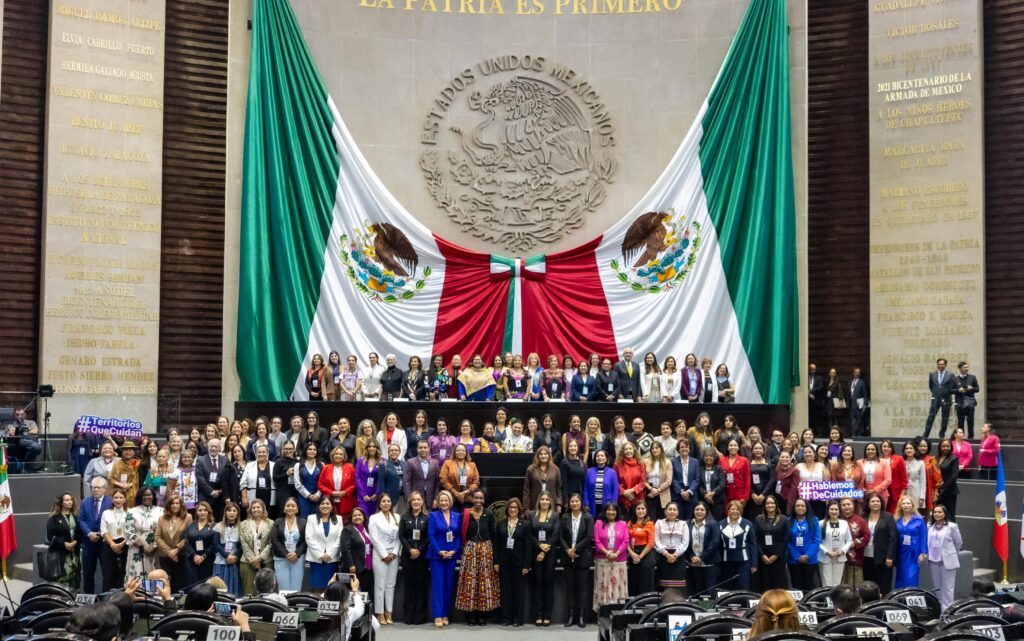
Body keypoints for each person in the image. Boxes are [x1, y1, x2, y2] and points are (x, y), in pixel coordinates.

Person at [495, 497, 530, 627]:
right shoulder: (501, 524)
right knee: (505, 592)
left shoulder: (525, 524)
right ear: (507, 509)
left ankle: (517, 619)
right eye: (510, 507)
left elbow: (527, 546)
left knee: (518, 592)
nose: (513, 510)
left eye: (515, 507)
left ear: (519, 509)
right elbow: (497, 544)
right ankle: (507, 618)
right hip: (504, 563)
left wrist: (526, 565)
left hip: (519, 563)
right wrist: (496, 562)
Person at [428, 490, 461, 627]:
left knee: (448, 585)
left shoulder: (457, 515)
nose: (443, 503)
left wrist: (454, 550)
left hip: (451, 555)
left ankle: (445, 614)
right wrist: (439, 551)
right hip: (437, 555)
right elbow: (431, 535)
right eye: (441, 500)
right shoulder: (433, 515)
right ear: (438, 502)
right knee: (438, 586)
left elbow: (459, 535)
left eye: (446, 500)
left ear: (450, 502)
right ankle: (437, 615)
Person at [368, 494, 402, 625]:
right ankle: (380, 613)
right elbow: (374, 539)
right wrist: (384, 555)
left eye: (388, 501)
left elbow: (399, 537)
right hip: (380, 555)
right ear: (379, 504)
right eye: (384, 501)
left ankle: (389, 612)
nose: (386, 503)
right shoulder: (374, 517)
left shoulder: (397, 517)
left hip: (393, 554)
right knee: (380, 585)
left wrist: (393, 553)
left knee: (390, 585)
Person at [561, 493, 593, 627]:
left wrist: (576, 550)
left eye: (577, 501)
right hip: (568, 557)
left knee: (582, 589)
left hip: (582, 557)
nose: (574, 503)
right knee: (570, 588)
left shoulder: (588, 517)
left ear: (581, 503)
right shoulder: (564, 517)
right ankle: (571, 616)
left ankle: (581, 617)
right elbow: (560, 537)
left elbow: (589, 536)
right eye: (572, 501)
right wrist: (568, 550)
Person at [399, 491, 430, 624]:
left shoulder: (427, 518)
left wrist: (419, 550)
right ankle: (409, 616)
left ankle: (420, 616)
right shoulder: (404, 517)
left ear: (422, 502)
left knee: (421, 586)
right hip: (408, 556)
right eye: (414, 500)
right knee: (409, 586)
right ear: (410, 502)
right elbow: (401, 536)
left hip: (422, 557)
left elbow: (429, 537)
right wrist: (410, 549)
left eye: (418, 499)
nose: (416, 502)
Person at [529, 492, 560, 624]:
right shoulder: (531, 515)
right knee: (537, 584)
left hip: (550, 553)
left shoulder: (555, 515)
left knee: (548, 583)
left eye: (547, 499)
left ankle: (547, 615)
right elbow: (529, 533)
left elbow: (555, 534)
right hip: (535, 552)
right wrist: (539, 545)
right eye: (542, 499)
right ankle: (538, 615)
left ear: (550, 502)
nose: (545, 501)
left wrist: (545, 549)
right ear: (539, 501)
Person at [79, 477, 113, 594]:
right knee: (88, 573)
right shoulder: (85, 502)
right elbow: (81, 520)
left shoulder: (111, 501)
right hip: (89, 543)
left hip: (105, 542)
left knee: (107, 573)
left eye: (98, 488)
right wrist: (89, 533)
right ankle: (88, 598)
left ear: (104, 489)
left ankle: (105, 597)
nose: (95, 490)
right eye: (93, 487)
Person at [305, 495, 343, 595]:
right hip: (317, 559)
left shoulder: (338, 519)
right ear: (318, 506)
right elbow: (309, 538)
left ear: (331, 506)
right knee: (318, 588)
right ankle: (318, 609)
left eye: (327, 503)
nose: (325, 506)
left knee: (331, 588)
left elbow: (339, 539)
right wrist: (321, 555)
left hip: (332, 559)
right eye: (322, 503)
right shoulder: (311, 518)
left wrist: (329, 554)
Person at [927, 504, 962, 611]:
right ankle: (940, 610)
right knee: (938, 588)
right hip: (933, 560)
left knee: (948, 589)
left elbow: (959, 543)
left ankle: (947, 613)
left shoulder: (952, 526)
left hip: (948, 561)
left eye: (940, 512)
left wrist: (950, 554)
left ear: (945, 513)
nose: (937, 514)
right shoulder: (929, 526)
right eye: (935, 512)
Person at [594, 502, 629, 610]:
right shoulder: (599, 523)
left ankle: (618, 613)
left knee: (618, 587)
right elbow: (596, 541)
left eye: (613, 510)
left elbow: (626, 541)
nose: (611, 512)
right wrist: (607, 553)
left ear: (617, 511)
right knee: (603, 587)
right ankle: (603, 612)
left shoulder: (623, 524)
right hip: (603, 561)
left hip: (619, 561)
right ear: (604, 512)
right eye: (608, 510)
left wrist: (616, 554)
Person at [269, 497, 306, 591]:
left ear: (297, 509)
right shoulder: (277, 522)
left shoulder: (303, 522)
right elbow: (274, 540)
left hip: (298, 559)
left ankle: (294, 606)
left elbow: (306, 541)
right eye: (288, 506)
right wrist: (286, 554)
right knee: (283, 587)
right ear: (284, 509)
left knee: (296, 587)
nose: (290, 508)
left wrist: (296, 553)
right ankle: (283, 605)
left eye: (293, 506)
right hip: (281, 559)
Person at [652, 501, 689, 596]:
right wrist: (666, 554)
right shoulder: (659, 523)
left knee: (678, 586)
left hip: (678, 557)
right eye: (670, 509)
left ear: (678, 512)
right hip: (663, 556)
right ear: (665, 511)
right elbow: (656, 541)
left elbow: (685, 543)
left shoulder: (683, 524)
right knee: (663, 586)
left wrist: (675, 555)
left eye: (674, 510)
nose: (672, 512)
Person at [863, 494, 897, 595]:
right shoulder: (863, 517)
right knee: (869, 584)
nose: (875, 503)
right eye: (872, 501)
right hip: (866, 555)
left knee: (884, 584)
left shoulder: (888, 517)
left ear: (881, 503)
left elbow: (893, 538)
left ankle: (884, 604)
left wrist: (890, 556)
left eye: (877, 501)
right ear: (868, 504)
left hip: (883, 557)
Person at [155, 494, 191, 590]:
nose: (175, 505)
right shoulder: (161, 518)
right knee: (167, 582)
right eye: (172, 503)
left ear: (181, 505)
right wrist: (170, 552)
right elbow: (158, 537)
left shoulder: (188, 517)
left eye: (177, 503)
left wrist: (176, 550)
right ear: (168, 505)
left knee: (180, 582)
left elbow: (188, 537)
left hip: (181, 555)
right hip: (165, 556)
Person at [47, 492, 82, 590]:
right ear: (61, 503)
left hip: (74, 554)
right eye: (67, 500)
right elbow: (51, 537)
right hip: (61, 554)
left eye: (71, 500)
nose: (70, 502)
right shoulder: (53, 519)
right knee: (62, 582)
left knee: (76, 579)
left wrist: (75, 542)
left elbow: (80, 534)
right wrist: (64, 544)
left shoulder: (76, 517)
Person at [685, 502, 721, 598]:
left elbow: (715, 542)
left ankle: (711, 611)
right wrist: (692, 556)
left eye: (702, 510)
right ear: (693, 511)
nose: (699, 512)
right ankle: (698, 611)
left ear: (706, 511)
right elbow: (685, 542)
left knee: (710, 589)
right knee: (697, 590)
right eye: (697, 509)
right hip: (694, 563)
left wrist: (701, 557)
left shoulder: (713, 524)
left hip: (709, 562)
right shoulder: (688, 524)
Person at [719, 500, 756, 590]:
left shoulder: (748, 524)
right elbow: (718, 544)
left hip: (743, 562)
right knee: (729, 586)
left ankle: (744, 604)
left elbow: (753, 544)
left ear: (741, 511)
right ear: (728, 510)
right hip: (727, 561)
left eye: (737, 509)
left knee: (743, 586)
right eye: (732, 509)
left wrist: (754, 564)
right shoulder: (720, 524)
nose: (735, 511)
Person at [755, 495, 789, 591]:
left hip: (778, 558)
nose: (770, 505)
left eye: (772, 503)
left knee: (778, 585)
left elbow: (785, 539)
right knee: (765, 585)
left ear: (776, 505)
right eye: (768, 503)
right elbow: (756, 539)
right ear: (764, 506)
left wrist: (776, 555)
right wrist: (762, 555)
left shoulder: (784, 519)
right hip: (763, 558)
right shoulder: (759, 519)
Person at [238, 498, 272, 595]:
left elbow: (271, 543)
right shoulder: (243, 524)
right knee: (249, 591)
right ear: (250, 510)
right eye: (253, 508)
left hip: (266, 561)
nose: (256, 509)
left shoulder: (271, 523)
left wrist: (260, 557)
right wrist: (253, 559)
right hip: (247, 561)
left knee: (266, 592)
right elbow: (243, 542)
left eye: (258, 507)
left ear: (263, 509)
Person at [787, 498, 821, 591]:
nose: (800, 507)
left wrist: (807, 555)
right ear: (794, 508)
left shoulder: (814, 520)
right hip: (794, 560)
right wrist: (797, 556)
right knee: (796, 586)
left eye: (802, 505)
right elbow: (787, 541)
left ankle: (807, 605)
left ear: (806, 507)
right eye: (797, 505)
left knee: (809, 586)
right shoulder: (788, 521)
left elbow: (817, 540)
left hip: (810, 559)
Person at [894, 495, 927, 588]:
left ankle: (910, 597)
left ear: (912, 505)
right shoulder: (898, 520)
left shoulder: (919, 520)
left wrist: (923, 552)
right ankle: (900, 599)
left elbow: (924, 537)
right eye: (903, 503)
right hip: (901, 551)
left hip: (914, 552)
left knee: (911, 577)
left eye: (908, 503)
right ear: (900, 506)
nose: (906, 505)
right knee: (900, 576)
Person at [341, 506, 374, 596]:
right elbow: (345, 549)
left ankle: (365, 609)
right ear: (351, 518)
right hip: (354, 566)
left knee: (366, 590)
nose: (357, 517)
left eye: (359, 515)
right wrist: (351, 564)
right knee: (354, 591)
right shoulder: (348, 529)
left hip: (368, 566)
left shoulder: (367, 529)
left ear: (363, 517)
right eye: (354, 516)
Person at [817, 502, 851, 587]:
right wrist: (826, 551)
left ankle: (836, 600)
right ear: (828, 510)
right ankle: (827, 600)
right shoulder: (821, 523)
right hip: (825, 557)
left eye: (836, 509)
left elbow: (849, 540)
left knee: (837, 584)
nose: (834, 511)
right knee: (826, 584)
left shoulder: (844, 523)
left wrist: (843, 551)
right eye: (832, 509)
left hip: (840, 557)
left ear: (839, 511)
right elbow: (817, 541)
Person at [213, 501, 242, 595]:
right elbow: (216, 544)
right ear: (225, 512)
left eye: (234, 510)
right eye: (229, 510)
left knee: (233, 587)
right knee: (220, 588)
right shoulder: (218, 526)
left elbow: (243, 545)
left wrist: (234, 556)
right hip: (221, 560)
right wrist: (227, 556)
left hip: (234, 561)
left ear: (237, 513)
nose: (231, 513)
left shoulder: (241, 527)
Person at [319, 446, 356, 520]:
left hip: (346, 500)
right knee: (332, 522)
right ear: (332, 455)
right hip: (330, 501)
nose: (338, 456)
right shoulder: (326, 468)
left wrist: (345, 492)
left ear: (344, 456)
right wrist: (331, 492)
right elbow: (320, 484)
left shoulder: (350, 467)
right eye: (336, 454)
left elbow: (354, 484)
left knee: (345, 522)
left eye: (340, 454)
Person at [184, 500, 216, 585]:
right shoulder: (191, 525)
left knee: (206, 584)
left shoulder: (214, 526)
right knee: (192, 584)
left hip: (207, 560)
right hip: (192, 560)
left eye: (205, 510)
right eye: (200, 510)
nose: (202, 512)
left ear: (208, 512)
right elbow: (186, 541)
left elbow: (214, 544)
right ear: (197, 512)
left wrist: (204, 556)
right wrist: (194, 555)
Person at [439, 443, 479, 510]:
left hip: (467, 498)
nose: (461, 452)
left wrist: (465, 493)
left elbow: (476, 482)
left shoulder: (472, 465)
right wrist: (456, 494)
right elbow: (443, 480)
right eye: (458, 450)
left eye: (463, 450)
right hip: (451, 498)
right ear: (455, 452)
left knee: (466, 518)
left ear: (466, 452)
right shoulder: (447, 463)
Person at [240, 444, 276, 517]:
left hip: (270, 497)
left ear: (267, 453)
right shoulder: (249, 465)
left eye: (263, 452)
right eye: (259, 452)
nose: (261, 454)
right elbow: (243, 483)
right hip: (253, 497)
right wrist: (244, 498)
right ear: (256, 454)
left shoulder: (274, 465)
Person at [924, 358, 957, 439]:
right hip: (935, 399)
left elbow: (953, 387)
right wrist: (937, 393)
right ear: (937, 365)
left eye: (942, 364)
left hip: (946, 399)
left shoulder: (950, 375)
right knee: (931, 417)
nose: (941, 366)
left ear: (945, 365)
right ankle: (925, 435)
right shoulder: (932, 374)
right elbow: (931, 386)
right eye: (939, 364)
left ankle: (942, 434)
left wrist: (945, 392)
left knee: (945, 418)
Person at [523, 445, 562, 512]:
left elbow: (559, 488)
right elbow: (526, 489)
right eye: (541, 454)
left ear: (549, 455)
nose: (543, 456)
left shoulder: (555, 469)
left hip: (551, 503)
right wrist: (526, 507)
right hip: (535, 503)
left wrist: (558, 504)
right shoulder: (531, 469)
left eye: (545, 454)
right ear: (537, 456)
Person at [839, 497, 868, 585]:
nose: (846, 506)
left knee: (855, 586)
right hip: (838, 558)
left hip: (855, 558)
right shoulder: (836, 519)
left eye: (849, 504)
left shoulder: (860, 520)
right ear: (840, 506)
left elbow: (867, 536)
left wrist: (854, 543)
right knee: (840, 584)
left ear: (853, 505)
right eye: (844, 505)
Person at [404, 440, 440, 509]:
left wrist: (436, 498)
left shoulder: (435, 463)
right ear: (417, 449)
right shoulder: (410, 462)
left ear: (429, 449)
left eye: (425, 447)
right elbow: (406, 481)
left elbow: (437, 482)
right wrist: (409, 498)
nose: (423, 449)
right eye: (420, 448)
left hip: (431, 498)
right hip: (415, 498)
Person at [196, 438, 226, 519]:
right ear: (207, 447)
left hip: (220, 497)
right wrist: (211, 491)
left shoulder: (225, 460)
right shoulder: (200, 460)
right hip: (205, 496)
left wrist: (222, 490)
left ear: (219, 448)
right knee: (204, 520)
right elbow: (200, 478)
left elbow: (227, 478)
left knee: (218, 522)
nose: (213, 448)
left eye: (216, 446)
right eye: (211, 446)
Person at [643, 440, 673, 519]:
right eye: (652, 448)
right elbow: (642, 479)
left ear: (661, 449)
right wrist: (651, 489)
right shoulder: (646, 461)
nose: (654, 450)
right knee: (650, 516)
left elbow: (669, 481)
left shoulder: (668, 462)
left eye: (657, 448)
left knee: (662, 517)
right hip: (649, 492)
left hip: (663, 492)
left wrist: (657, 490)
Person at [584, 450, 619, 516]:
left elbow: (615, 490)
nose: (600, 457)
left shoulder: (612, 472)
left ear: (606, 459)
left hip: (607, 505)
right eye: (597, 456)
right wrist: (586, 503)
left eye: (602, 456)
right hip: (592, 504)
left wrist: (613, 505)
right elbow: (586, 488)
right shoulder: (589, 471)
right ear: (595, 459)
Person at [671, 440, 699, 520]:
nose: (684, 449)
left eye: (686, 447)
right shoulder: (673, 461)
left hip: (692, 495)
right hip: (678, 494)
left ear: (689, 448)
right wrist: (681, 491)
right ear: (678, 449)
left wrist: (689, 492)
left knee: (690, 520)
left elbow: (696, 479)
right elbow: (672, 479)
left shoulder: (695, 462)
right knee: (678, 519)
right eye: (682, 447)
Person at [720, 439, 750, 513]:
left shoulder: (744, 460)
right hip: (726, 494)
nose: (733, 447)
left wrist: (745, 497)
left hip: (739, 494)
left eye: (735, 445)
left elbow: (747, 479)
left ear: (738, 448)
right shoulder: (722, 460)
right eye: (731, 445)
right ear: (727, 448)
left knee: (737, 515)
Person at [616, 442, 646, 515]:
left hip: (637, 498)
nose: (628, 451)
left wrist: (631, 491)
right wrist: (624, 492)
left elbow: (643, 482)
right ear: (623, 452)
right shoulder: (617, 464)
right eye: (626, 449)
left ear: (634, 451)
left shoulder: (640, 464)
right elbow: (615, 482)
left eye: (630, 449)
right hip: (623, 499)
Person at [294, 442, 323, 518]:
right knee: (304, 519)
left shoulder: (321, 465)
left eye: (314, 449)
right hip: (303, 498)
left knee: (317, 519)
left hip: (318, 498)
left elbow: (324, 482)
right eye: (309, 449)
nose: (312, 451)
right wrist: (309, 496)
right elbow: (298, 484)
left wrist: (317, 495)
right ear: (305, 451)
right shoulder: (298, 465)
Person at [953, 361, 980, 438]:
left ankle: (971, 438)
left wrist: (971, 388)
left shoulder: (972, 377)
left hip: (970, 402)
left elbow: (977, 389)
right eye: (965, 367)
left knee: (970, 421)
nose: (967, 369)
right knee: (960, 422)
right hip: (959, 403)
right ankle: (960, 438)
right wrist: (958, 390)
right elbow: (950, 390)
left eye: (967, 367)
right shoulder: (955, 379)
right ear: (960, 368)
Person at [355, 440, 383, 517]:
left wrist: (377, 494)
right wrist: (363, 494)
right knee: (364, 517)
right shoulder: (361, 460)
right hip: (363, 494)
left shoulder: (382, 461)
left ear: (377, 448)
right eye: (369, 446)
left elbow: (382, 479)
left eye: (374, 446)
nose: (372, 448)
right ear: (366, 448)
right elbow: (357, 477)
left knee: (374, 518)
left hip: (376, 494)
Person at [935, 439, 960, 522]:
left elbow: (953, 477)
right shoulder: (935, 458)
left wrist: (943, 489)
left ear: (951, 447)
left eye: (947, 446)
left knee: (949, 515)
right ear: (940, 447)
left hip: (949, 491)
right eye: (943, 446)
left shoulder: (954, 458)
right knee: (937, 514)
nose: (945, 448)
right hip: (936, 492)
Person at [697, 447, 726, 520]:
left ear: (714, 457)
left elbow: (722, 484)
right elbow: (698, 484)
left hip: (717, 501)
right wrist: (705, 495)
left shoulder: (719, 468)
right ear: (703, 457)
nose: (709, 457)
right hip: (703, 501)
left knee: (717, 522)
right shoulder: (699, 469)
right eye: (706, 456)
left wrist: (712, 494)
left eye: (711, 456)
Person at [560, 439, 587, 508]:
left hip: (580, 495)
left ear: (578, 448)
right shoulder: (564, 462)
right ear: (567, 448)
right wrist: (565, 501)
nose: (573, 448)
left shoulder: (582, 463)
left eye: (575, 446)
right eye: (570, 446)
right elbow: (564, 482)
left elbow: (584, 481)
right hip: (569, 496)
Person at [848, 367, 869, 436]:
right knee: (853, 419)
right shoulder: (850, 382)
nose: (857, 374)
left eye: (858, 372)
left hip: (859, 404)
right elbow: (849, 393)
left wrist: (865, 404)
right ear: (853, 373)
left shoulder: (862, 382)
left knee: (859, 419)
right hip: (851, 403)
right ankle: (854, 433)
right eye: (855, 372)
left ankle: (860, 434)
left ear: (860, 374)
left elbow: (865, 394)